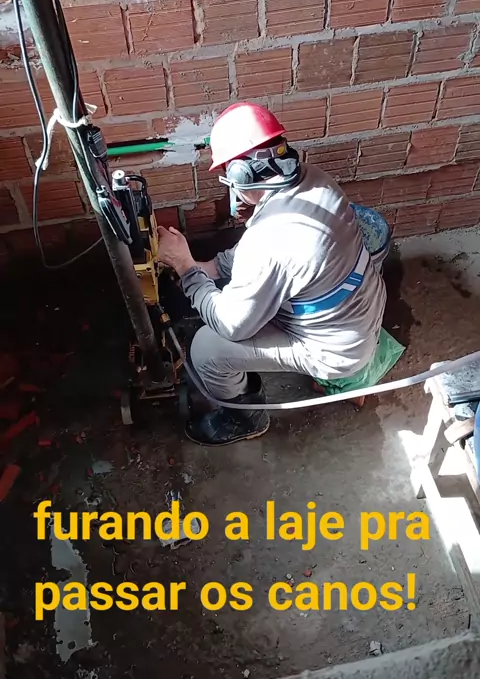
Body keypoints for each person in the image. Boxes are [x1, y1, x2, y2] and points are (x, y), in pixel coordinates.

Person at [157, 102, 387, 447]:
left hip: (335, 350)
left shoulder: (271, 239)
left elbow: (233, 325)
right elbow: (263, 246)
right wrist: (209, 268)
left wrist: (185, 268)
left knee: (206, 348)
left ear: (240, 174)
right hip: (360, 306)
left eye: (228, 177)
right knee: (231, 288)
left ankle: (244, 419)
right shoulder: (313, 180)